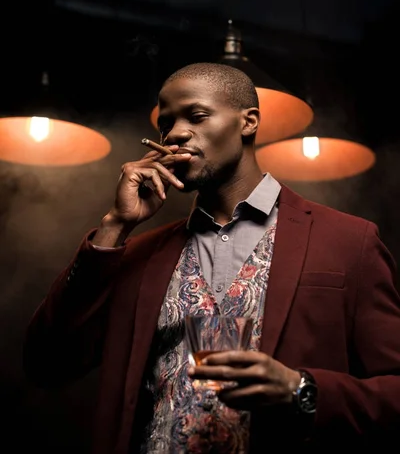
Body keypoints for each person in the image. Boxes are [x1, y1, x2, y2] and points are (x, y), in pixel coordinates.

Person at [23, 62, 400, 453]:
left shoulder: (348, 240)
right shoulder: (137, 254)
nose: (176, 134)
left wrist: (301, 389)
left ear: (248, 122)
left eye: (197, 116)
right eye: (165, 125)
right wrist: (115, 225)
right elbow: (47, 363)